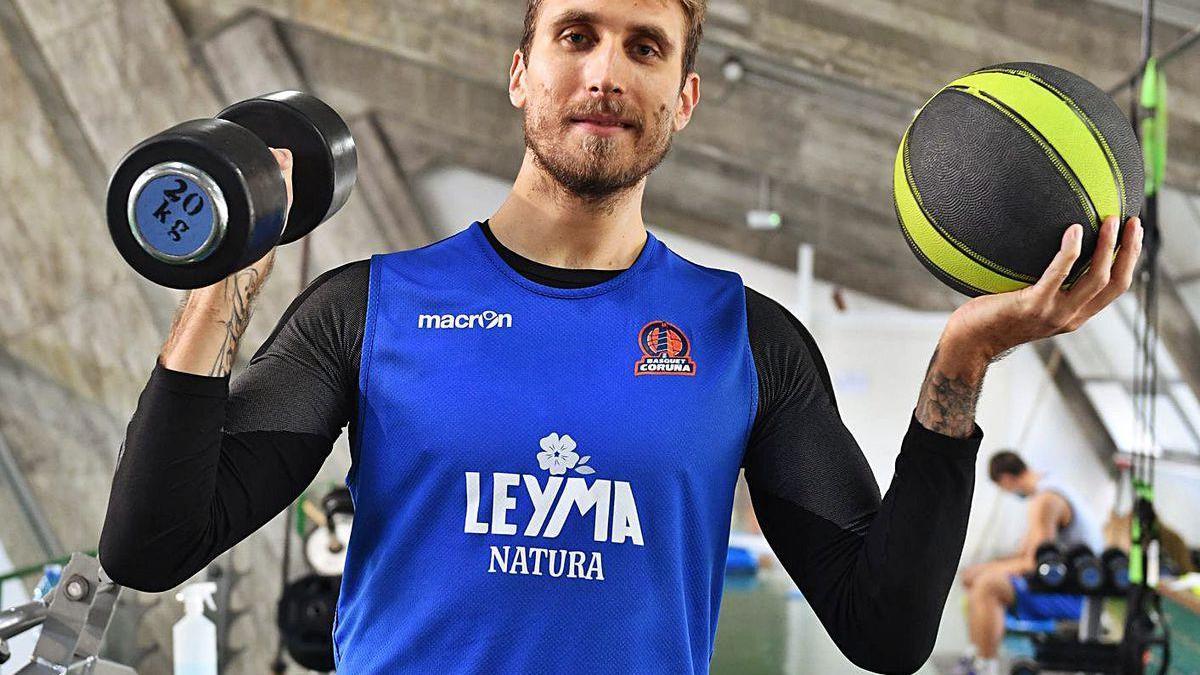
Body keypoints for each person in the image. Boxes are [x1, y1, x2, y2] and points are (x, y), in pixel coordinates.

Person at [97, 0, 1144, 672]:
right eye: (576, 35)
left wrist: (961, 361)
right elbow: (151, 548)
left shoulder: (750, 341)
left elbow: (887, 629)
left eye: (644, 48)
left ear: (682, 99)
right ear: (521, 73)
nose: (606, 71)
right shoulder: (369, 310)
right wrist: (222, 283)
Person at [958, 451, 1106, 675]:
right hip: (1070, 587)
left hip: (1079, 597)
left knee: (988, 585)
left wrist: (983, 572)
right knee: (978, 578)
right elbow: (1025, 553)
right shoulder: (1051, 487)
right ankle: (976, 657)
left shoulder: (1045, 500)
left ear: (1006, 480)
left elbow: (1032, 564)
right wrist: (983, 568)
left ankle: (984, 668)